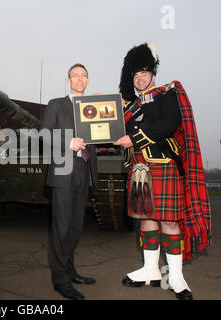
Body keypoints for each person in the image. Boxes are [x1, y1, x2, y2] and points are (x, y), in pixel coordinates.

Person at [114, 43, 212, 300]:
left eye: (144, 73)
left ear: (153, 74)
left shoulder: (167, 93)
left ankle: (176, 277)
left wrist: (133, 138)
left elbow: (170, 123)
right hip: (139, 170)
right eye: (135, 75)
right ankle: (150, 269)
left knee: (169, 221)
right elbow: (115, 133)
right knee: (146, 218)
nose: (140, 78)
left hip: (164, 166)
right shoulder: (129, 106)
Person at [42, 63, 98, 300]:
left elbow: (103, 131)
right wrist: (68, 142)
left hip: (84, 170)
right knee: (62, 226)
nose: (80, 79)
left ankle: (71, 270)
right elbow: (44, 135)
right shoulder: (57, 104)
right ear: (68, 80)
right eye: (75, 75)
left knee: (75, 226)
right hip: (63, 170)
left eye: (84, 76)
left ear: (87, 81)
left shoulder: (92, 107)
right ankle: (60, 280)